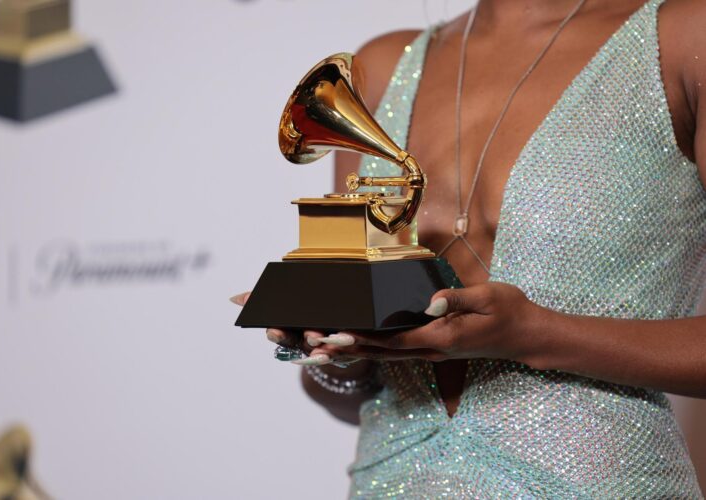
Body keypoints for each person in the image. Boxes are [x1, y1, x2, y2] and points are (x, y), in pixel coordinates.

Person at [233, 0, 706, 496]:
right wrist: (332, 351)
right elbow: (355, 399)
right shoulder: (379, 68)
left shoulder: (680, 38)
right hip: (393, 481)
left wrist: (535, 334)